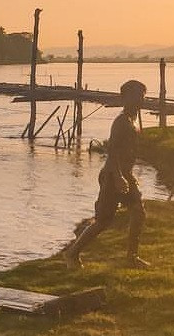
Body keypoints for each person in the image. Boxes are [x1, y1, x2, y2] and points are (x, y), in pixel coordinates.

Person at [62, 80, 149, 268]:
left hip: (126, 175)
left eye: (141, 96)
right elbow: (112, 153)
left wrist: (128, 175)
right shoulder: (121, 122)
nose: (139, 100)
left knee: (139, 213)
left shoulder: (132, 120)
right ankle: (72, 254)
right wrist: (118, 177)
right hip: (113, 176)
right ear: (124, 98)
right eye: (135, 96)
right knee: (103, 221)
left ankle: (131, 257)